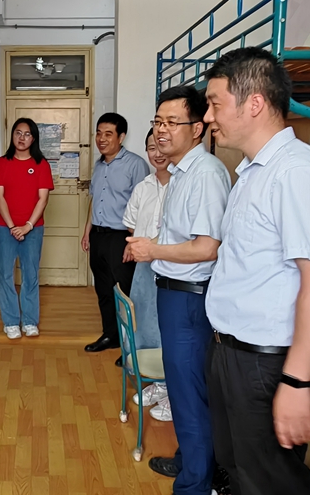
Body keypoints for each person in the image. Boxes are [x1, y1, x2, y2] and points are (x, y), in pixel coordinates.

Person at [204, 47, 310, 495]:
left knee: (268, 483)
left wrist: (296, 381)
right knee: (236, 471)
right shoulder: (252, 172)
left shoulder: (298, 172)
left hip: (265, 365)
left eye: (214, 104)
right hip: (231, 352)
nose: (207, 117)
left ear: (254, 103)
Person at [127, 86, 231, 495]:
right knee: (183, 386)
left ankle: (194, 484)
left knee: (188, 393)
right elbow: (184, 237)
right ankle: (190, 462)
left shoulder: (204, 174)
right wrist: (153, 246)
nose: (162, 130)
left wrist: (152, 250)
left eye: (172, 122)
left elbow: (207, 247)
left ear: (198, 127)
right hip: (174, 292)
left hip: (189, 296)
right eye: (158, 122)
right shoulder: (183, 173)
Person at [82, 113, 149, 360]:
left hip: (122, 238)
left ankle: (131, 346)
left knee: (125, 293)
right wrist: (87, 231)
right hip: (99, 236)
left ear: (121, 137)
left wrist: (135, 242)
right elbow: (94, 200)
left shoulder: (135, 165)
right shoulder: (99, 165)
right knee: (103, 290)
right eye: (99, 133)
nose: (101, 138)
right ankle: (110, 335)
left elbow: (144, 205)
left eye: (108, 134)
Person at [122, 128, 171, 422]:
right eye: (151, 147)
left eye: (161, 146)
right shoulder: (143, 187)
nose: (157, 153)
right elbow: (130, 222)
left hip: (173, 266)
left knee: (168, 327)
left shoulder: (183, 184)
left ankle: (172, 388)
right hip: (144, 267)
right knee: (144, 324)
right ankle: (158, 382)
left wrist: (157, 246)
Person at [0, 118, 54, 339]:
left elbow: (43, 199)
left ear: (33, 139)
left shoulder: (41, 164)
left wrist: (27, 226)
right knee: (5, 275)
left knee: (30, 274)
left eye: (27, 134)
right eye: (18, 133)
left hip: (33, 229)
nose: (22, 138)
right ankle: (10, 322)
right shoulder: (1, 163)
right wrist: (12, 226)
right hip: (4, 228)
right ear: (12, 135)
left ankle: (29, 321)